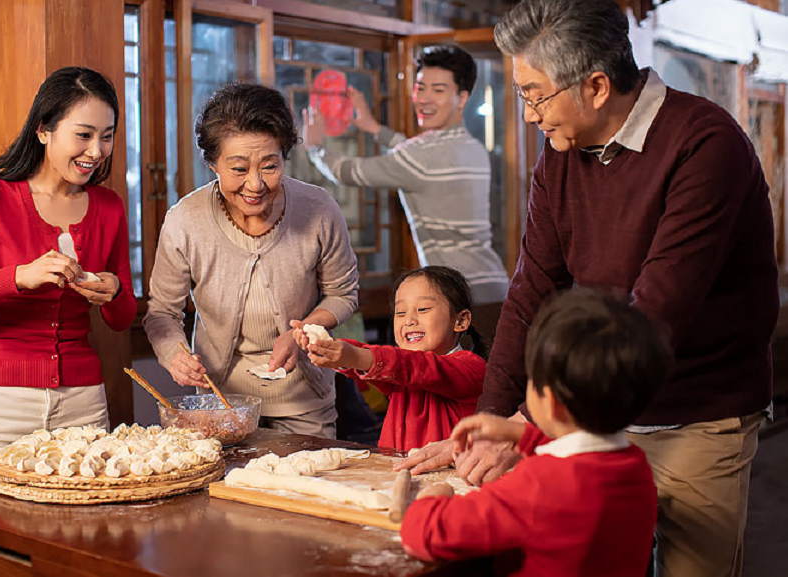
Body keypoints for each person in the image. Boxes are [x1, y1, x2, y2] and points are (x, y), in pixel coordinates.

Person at [400, 2, 778, 576]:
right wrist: (489, 421)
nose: (529, 116)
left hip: (696, 410)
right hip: (592, 412)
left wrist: (530, 421)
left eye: (534, 94)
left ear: (597, 86)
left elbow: (653, 312)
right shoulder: (562, 152)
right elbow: (533, 287)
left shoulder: (704, 144)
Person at [0, 67, 137, 463]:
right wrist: (19, 277)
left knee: (84, 523)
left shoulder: (110, 208)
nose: (97, 151)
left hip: (84, 404)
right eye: (84, 135)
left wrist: (115, 292)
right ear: (43, 130)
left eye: (107, 137)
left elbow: (122, 319)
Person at [143, 83, 359, 439]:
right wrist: (173, 355)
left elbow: (344, 293)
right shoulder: (185, 220)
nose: (256, 184)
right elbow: (162, 312)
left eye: (270, 166)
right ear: (213, 164)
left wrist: (300, 330)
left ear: (285, 157)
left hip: (304, 399)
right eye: (239, 169)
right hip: (221, 403)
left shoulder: (319, 209)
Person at [401, 290, 669, 576]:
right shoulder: (634, 465)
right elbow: (578, 463)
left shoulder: (539, 484)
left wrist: (433, 497)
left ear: (550, 402)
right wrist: (518, 434)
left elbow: (427, 535)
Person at [303, 45, 509, 338]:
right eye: (420, 87)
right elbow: (417, 156)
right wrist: (375, 128)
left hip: (461, 299)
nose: (424, 99)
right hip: (496, 291)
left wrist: (315, 148)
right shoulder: (472, 147)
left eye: (438, 90)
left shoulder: (422, 156)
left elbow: (350, 171)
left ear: (462, 98)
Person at [294, 266, 485, 452]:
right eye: (401, 313)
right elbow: (380, 359)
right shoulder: (399, 371)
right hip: (395, 470)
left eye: (423, 309)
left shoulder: (472, 368)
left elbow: (415, 366)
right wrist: (325, 345)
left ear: (460, 321)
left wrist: (354, 356)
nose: (409, 320)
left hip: (449, 477)